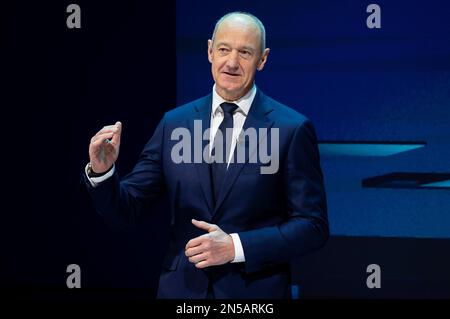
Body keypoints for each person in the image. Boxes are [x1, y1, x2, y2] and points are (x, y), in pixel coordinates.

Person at [84, 11, 328, 299]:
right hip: (182, 293)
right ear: (210, 50)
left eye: (245, 52)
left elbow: (312, 226)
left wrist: (236, 247)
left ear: (262, 59)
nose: (232, 63)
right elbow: (126, 210)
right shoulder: (174, 124)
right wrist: (103, 173)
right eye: (224, 49)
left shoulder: (291, 129)